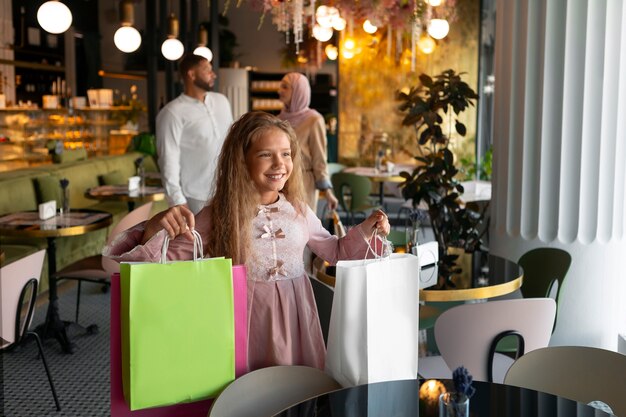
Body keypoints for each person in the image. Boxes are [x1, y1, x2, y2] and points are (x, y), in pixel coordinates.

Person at [104, 111, 391, 372]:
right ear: (242, 161)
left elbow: (336, 251)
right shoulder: (219, 215)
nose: (280, 164)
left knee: (294, 390)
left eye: (287, 154)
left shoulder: (300, 211)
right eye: (266, 155)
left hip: (296, 318)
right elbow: (156, 262)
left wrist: (368, 229)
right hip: (243, 320)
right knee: (250, 392)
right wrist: (157, 224)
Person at [156, 53, 233, 214]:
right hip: (196, 196)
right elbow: (168, 158)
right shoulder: (172, 112)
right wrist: (176, 200)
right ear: (191, 74)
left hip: (229, 190)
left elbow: (233, 141)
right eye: (207, 70)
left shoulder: (222, 101)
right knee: (201, 240)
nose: (214, 75)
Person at [277, 72, 339, 213]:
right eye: (280, 86)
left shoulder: (314, 120)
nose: (279, 90)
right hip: (280, 183)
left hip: (304, 184)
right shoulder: (278, 119)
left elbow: (319, 158)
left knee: (302, 227)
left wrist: (327, 191)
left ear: (299, 91)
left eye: (285, 87)